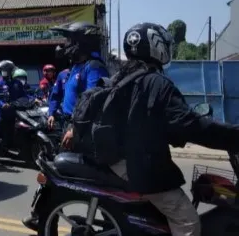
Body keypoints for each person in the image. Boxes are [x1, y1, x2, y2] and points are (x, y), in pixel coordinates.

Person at [66, 23, 239, 235]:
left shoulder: (122, 77)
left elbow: (162, 122)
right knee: (187, 220)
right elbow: (189, 125)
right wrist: (232, 136)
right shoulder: (157, 83)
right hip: (137, 165)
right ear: (156, 46)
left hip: (118, 159)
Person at [48, 22, 108, 135]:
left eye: (70, 40)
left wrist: (74, 128)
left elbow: (92, 102)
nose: (66, 45)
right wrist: (52, 113)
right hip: (69, 123)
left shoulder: (94, 67)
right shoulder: (75, 67)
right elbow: (58, 94)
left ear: (81, 43)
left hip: (81, 128)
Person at [0, 60, 26, 164]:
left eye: (4, 70)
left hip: (14, 115)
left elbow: (24, 95)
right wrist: (2, 104)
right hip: (2, 115)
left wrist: (34, 99)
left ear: (10, 71)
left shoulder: (17, 83)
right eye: (1, 70)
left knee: (10, 137)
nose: (2, 72)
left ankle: (7, 151)